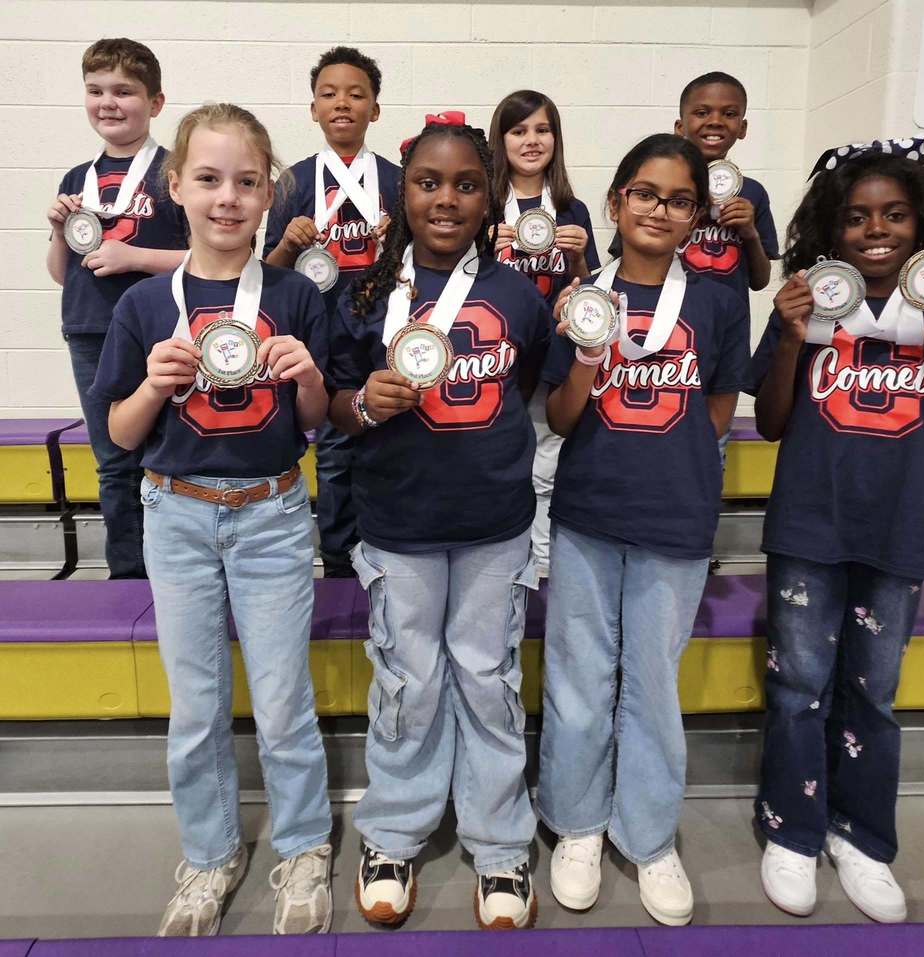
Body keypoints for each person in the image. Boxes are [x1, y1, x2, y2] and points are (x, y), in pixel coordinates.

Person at [90, 103, 335, 937]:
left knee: (281, 696)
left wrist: (305, 377)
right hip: (178, 514)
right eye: (208, 179)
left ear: (270, 193)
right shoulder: (145, 305)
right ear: (176, 186)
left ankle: (302, 843)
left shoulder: (295, 295)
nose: (227, 197)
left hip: (270, 511)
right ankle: (208, 851)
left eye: (246, 181)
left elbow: (314, 423)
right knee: (196, 705)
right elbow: (120, 433)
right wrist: (155, 386)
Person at [747, 138, 924, 924]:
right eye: (857, 217)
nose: (875, 229)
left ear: (923, 222)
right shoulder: (807, 301)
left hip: (897, 530)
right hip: (807, 526)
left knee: (875, 694)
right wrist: (790, 338)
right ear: (835, 227)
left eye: (893, 213)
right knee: (796, 688)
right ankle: (792, 830)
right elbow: (774, 419)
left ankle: (861, 836)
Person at [328, 112, 550, 930]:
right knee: (407, 679)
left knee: (487, 680)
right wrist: (363, 402)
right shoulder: (362, 291)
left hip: (494, 522)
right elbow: (334, 404)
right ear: (403, 191)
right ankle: (393, 828)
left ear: (489, 195)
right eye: (428, 182)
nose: (446, 199)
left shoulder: (518, 292)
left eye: (465, 183)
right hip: (398, 522)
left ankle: (498, 842)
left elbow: (530, 390)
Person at [537, 133, 749, 926]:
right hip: (591, 509)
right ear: (619, 200)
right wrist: (591, 357)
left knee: (652, 685)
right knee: (580, 674)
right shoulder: (580, 294)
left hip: (676, 514)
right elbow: (559, 415)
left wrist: (679, 464)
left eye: (680, 199)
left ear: (696, 215)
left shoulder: (720, 301)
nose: (661, 209)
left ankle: (650, 833)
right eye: (647, 193)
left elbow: (720, 410)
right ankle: (579, 823)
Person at [46, 37, 188, 578]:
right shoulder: (75, 179)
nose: (108, 102)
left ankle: (177, 569)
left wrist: (135, 255)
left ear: (154, 103)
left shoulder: (174, 173)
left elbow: (206, 258)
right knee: (113, 461)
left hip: (158, 330)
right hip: (89, 331)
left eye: (124, 91)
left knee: (166, 453)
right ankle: (127, 573)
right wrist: (59, 231)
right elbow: (62, 273)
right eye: (96, 90)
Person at [263, 46, 401, 578]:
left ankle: (385, 542)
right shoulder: (292, 183)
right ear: (313, 108)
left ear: (376, 109)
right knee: (336, 446)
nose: (342, 103)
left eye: (356, 93)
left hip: (380, 328)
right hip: (318, 329)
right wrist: (289, 246)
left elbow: (419, 266)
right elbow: (267, 272)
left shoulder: (397, 180)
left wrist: (396, 244)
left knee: (385, 433)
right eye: (329, 94)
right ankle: (341, 555)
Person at [488, 89, 600, 575]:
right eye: (518, 131)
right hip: (499, 350)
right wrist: (486, 250)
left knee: (548, 457)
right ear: (501, 140)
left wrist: (577, 259)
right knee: (499, 453)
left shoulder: (573, 209)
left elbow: (592, 292)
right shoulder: (485, 205)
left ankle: (543, 563)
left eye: (542, 130)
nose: (531, 141)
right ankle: (504, 554)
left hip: (553, 350)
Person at [675, 71, 778, 462]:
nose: (715, 120)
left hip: (725, 338)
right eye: (702, 112)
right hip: (671, 332)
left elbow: (760, 279)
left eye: (729, 113)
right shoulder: (663, 186)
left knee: (711, 445)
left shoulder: (752, 193)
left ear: (743, 127)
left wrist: (749, 231)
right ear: (680, 125)